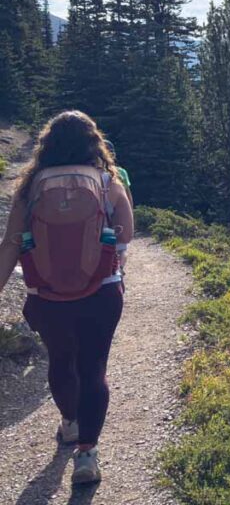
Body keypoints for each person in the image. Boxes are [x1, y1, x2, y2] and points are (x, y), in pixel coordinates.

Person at [0, 111, 134, 486]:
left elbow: (11, 244)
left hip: (45, 296)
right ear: (94, 143)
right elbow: (125, 237)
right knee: (94, 369)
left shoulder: (31, 188)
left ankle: (71, 424)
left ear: (47, 146)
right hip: (101, 292)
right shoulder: (107, 181)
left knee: (61, 359)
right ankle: (87, 455)